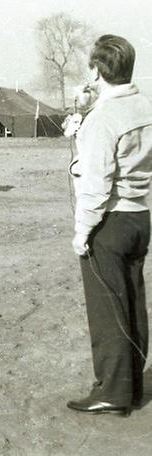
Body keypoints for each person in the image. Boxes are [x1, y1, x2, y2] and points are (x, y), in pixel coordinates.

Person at [67, 35, 152, 416]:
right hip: (139, 216)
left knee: (107, 309)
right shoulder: (145, 107)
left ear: (97, 72)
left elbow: (96, 185)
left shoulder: (103, 119)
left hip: (109, 221)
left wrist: (82, 233)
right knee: (133, 302)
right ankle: (131, 383)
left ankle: (113, 393)